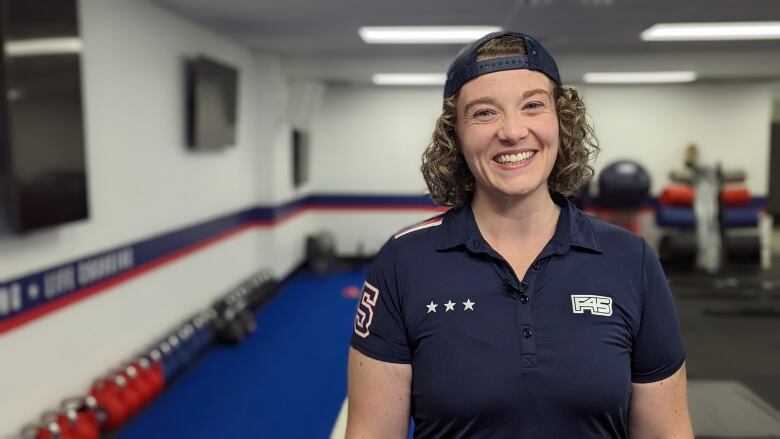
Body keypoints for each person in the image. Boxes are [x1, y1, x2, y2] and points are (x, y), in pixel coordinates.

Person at [346, 31, 693, 438]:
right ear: (454, 135)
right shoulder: (403, 261)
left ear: (561, 121)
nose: (512, 131)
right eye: (484, 112)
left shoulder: (630, 260)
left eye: (532, 105)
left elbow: (667, 432)